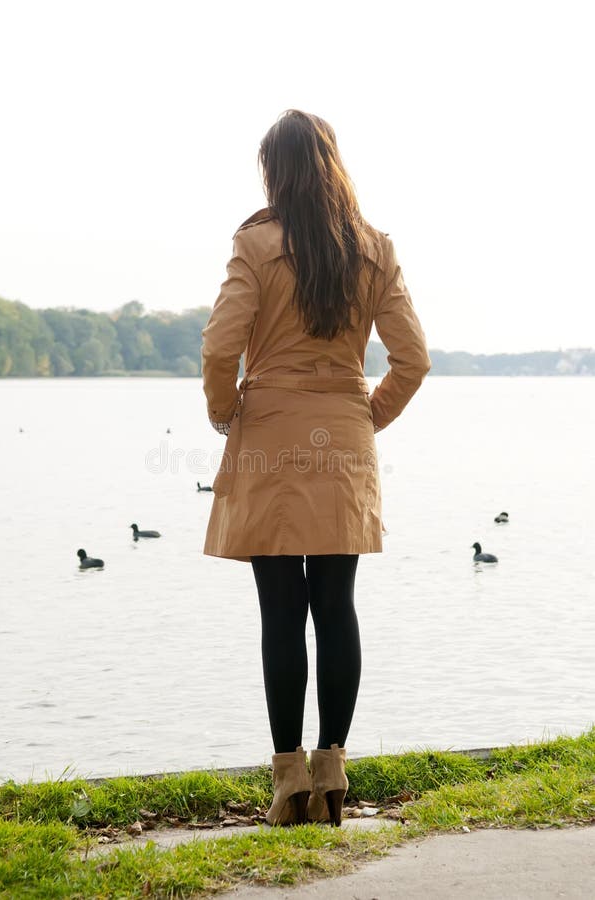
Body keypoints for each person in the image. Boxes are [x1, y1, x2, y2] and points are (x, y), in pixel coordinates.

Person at [201, 110, 431, 827]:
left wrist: (224, 412)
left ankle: (287, 783)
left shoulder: (255, 243)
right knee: (336, 605)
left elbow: (220, 347)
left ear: (273, 170)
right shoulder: (373, 247)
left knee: (280, 610)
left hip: (269, 433)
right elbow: (413, 360)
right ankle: (331, 776)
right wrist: (368, 416)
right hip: (344, 436)